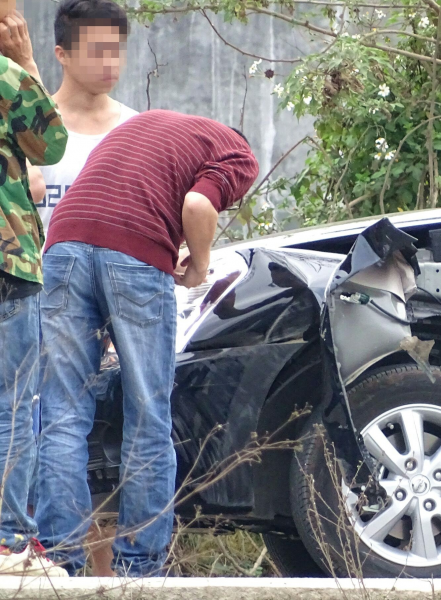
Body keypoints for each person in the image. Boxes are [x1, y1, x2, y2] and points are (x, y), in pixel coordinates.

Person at [36, 110, 258, 577]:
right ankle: (139, 567)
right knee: (148, 415)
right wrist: (199, 265)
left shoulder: (146, 125)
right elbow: (198, 205)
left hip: (62, 243)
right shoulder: (237, 152)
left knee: (61, 415)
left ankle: (61, 566)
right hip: (133, 254)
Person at [0, 5, 70, 577]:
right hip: (7, 264)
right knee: (13, 406)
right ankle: (6, 539)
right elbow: (51, 146)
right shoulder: (5, 73)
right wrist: (26, 62)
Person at [38, 0, 135, 227]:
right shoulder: (29, 127)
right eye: (98, 51)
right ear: (62, 55)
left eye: (116, 50)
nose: (110, 62)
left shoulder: (137, 129)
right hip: (41, 262)